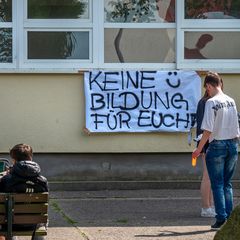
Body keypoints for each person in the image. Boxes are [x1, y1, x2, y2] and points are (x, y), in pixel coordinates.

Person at [192, 72, 239, 230]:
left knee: (217, 184)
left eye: (207, 88)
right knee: (227, 184)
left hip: (217, 145)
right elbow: (236, 127)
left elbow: (207, 130)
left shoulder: (211, 102)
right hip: (233, 144)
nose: (207, 91)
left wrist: (198, 150)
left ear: (209, 85)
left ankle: (221, 219)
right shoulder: (231, 101)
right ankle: (231, 217)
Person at [0, 143, 48, 240]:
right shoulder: (42, 180)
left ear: (14, 160)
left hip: (10, 223)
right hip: (34, 223)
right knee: (42, 218)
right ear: (31, 158)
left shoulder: (6, 180)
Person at [195, 90, 215, 218]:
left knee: (213, 177)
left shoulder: (214, 102)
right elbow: (203, 127)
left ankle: (210, 205)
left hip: (215, 142)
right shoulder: (204, 102)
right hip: (207, 143)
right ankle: (205, 207)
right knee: (207, 176)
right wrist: (201, 147)